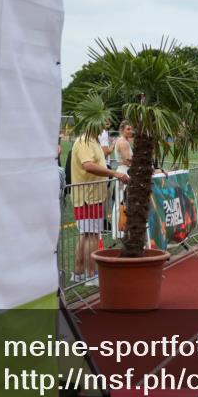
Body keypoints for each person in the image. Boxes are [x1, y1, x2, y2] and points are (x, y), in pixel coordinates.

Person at [70, 129, 129, 284]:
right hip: (87, 197)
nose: (104, 126)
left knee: (87, 234)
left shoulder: (93, 140)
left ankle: (79, 273)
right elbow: (88, 165)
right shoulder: (85, 140)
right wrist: (115, 174)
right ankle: (91, 275)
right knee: (91, 235)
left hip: (92, 196)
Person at [111, 121, 134, 239]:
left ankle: (123, 230)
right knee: (122, 202)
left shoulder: (124, 141)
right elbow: (127, 160)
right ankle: (120, 231)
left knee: (124, 202)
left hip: (125, 171)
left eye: (131, 129)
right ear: (122, 130)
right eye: (128, 129)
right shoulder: (122, 142)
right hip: (124, 172)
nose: (130, 131)